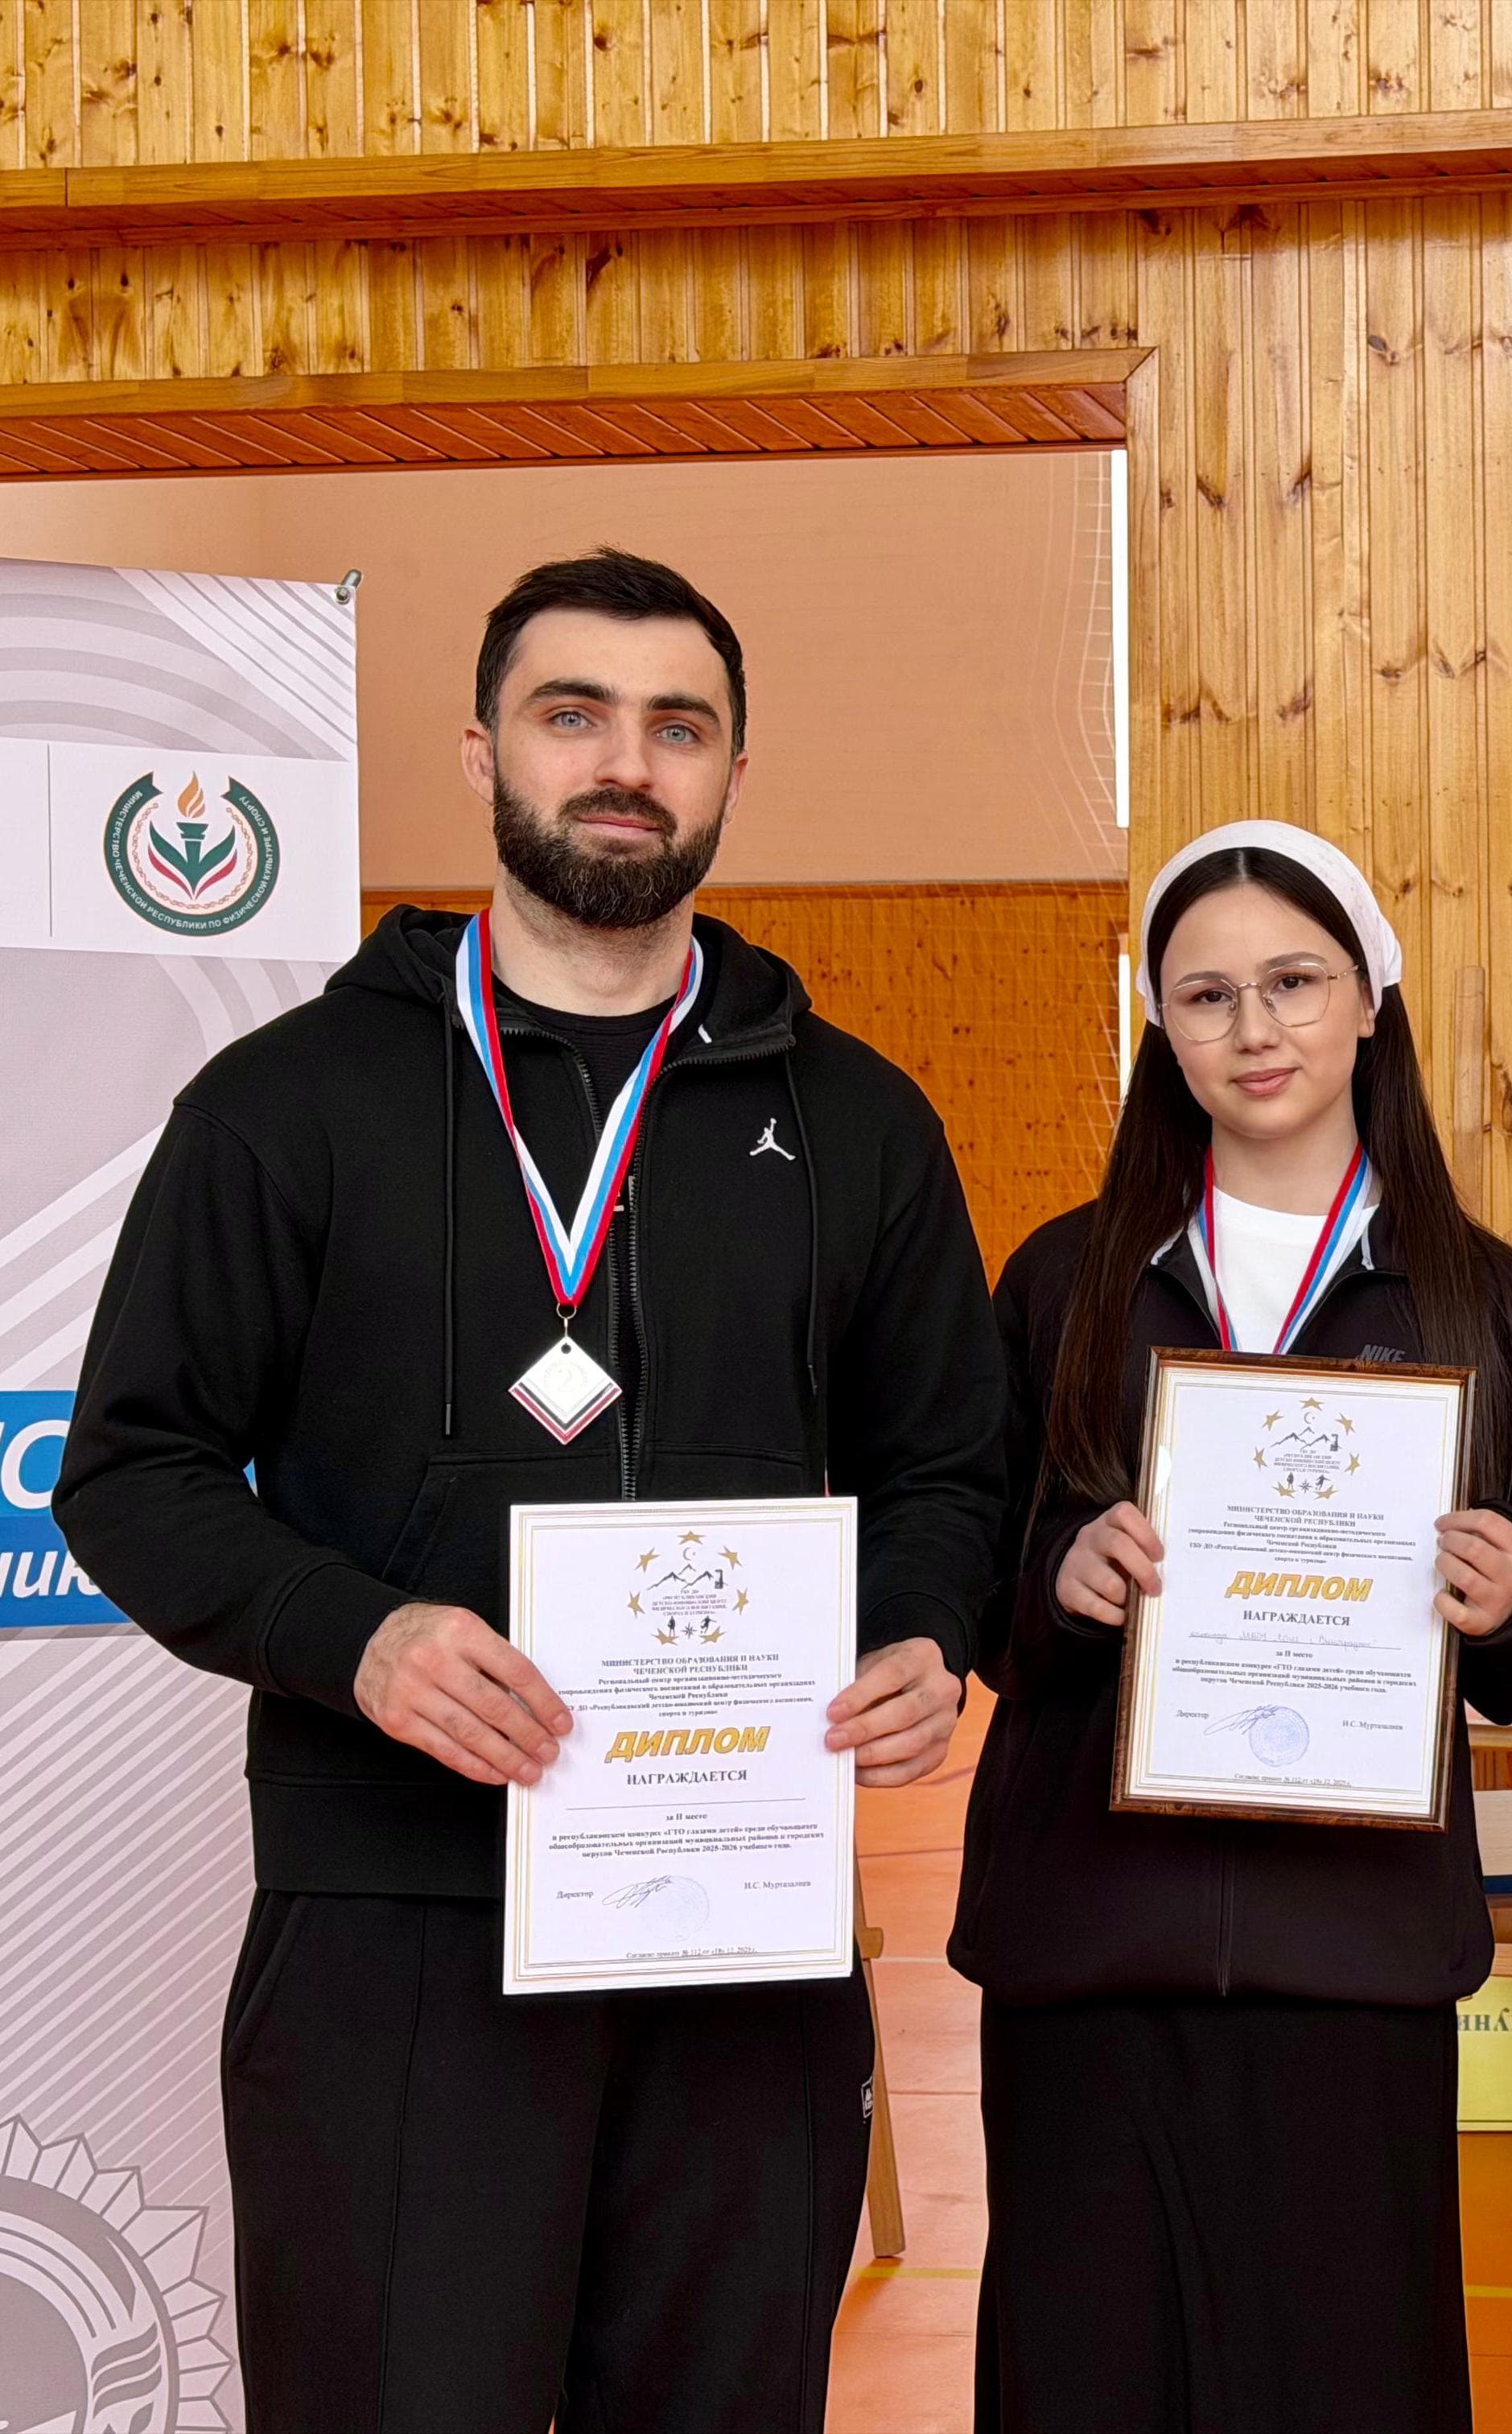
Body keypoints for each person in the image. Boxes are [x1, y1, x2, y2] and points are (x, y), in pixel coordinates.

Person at [51, 547, 1011, 2430]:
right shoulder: (286, 1103)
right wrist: (360, 1637)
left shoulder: (858, 1123)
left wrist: (924, 1627)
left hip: (739, 1925)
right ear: (483, 750)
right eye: (575, 715)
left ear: (734, 774)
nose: (626, 762)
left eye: (679, 726)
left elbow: (948, 1464)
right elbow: (131, 1469)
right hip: (399, 1925)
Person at [954, 819, 1512, 2434]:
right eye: (1207, 994)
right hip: (1091, 1941)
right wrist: (1059, 1582)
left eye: (1295, 983)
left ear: (1370, 999)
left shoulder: (1476, 1293)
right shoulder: (1064, 1279)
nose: (1255, 1028)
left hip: (1350, 1953)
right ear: (1160, 1027)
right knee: (1090, 2377)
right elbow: (972, 1580)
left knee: (1344, 2381)